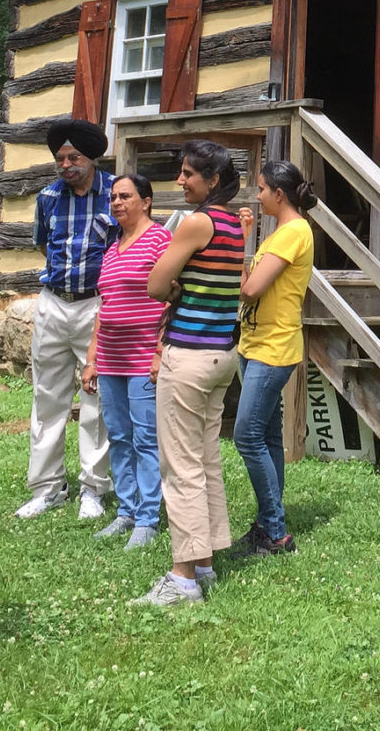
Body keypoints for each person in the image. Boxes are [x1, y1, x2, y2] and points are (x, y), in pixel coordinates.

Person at [132, 141, 249, 607]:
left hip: (189, 358)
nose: (180, 181)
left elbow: (156, 284)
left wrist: (176, 283)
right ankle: (205, 562)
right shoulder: (233, 225)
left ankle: (182, 577)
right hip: (223, 356)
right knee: (205, 460)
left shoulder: (197, 222)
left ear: (212, 181)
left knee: (179, 467)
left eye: (187, 174)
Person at [17, 117, 115, 521]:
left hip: (97, 304)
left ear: (91, 157)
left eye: (73, 157)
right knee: (47, 396)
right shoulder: (48, 197)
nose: (65, 164)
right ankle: (47, 487)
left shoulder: (115, 193)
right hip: (54, 302)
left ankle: (93, 488)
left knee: (95, 399)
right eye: (60, 158)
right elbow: (44, 244)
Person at [229, 159, 317, 561]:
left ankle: (276, 533)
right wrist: (249, 240)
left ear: (279, 194)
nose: (257, 195)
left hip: (272, 349)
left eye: (262, 189)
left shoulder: (293, 232)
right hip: (256, 345)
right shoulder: (281, 231)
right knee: (265, 437)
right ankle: (268, 525)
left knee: (247, 436)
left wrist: (244, 268)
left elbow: (250, 290)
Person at [80, 173, 171, 549]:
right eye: (113, 197)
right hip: (112, 358)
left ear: (146, 201)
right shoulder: (113, 248)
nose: (117, 203)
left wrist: (159, 352)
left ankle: (149, 518)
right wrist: (92, 359)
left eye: (125, 196)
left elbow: (172, 298)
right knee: (118, 436)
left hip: (142, 358)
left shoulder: (160, 240)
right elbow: (106, 307)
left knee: (146, 438)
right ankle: (126, 511)